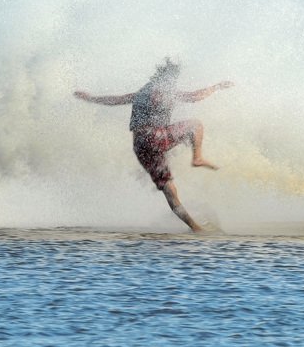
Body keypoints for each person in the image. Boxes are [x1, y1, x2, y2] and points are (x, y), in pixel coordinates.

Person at [74, 58, 234, 232]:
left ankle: (195, 227)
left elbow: (115, 100)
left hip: (140, 145)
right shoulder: (165, 90)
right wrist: (216, 87)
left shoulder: (141, 92)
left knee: (169, 190)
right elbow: (195, 97)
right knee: (195, 125)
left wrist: (90, 98)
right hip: (156, 137)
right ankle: (198, 158)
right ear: (170, 78)